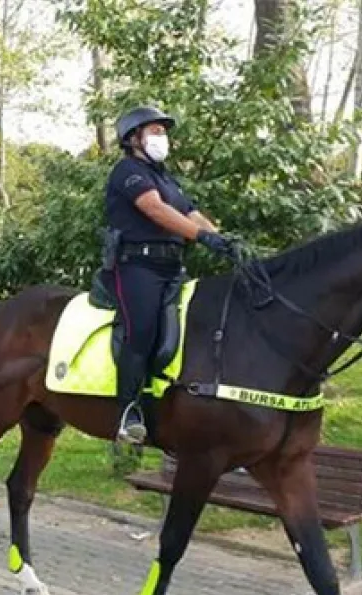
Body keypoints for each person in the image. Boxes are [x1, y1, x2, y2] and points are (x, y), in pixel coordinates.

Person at [101, 106, 235, 444]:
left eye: (164, 131)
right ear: (133, 138)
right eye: (155, 131)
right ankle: (128, 411)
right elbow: (155, 209)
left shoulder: (165, 177)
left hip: (173, 266)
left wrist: (222, 239)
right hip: (137, 267)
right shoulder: (127, 171)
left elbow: (190, 212)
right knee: (142, 331)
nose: (163, 138)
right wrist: (200, 236)